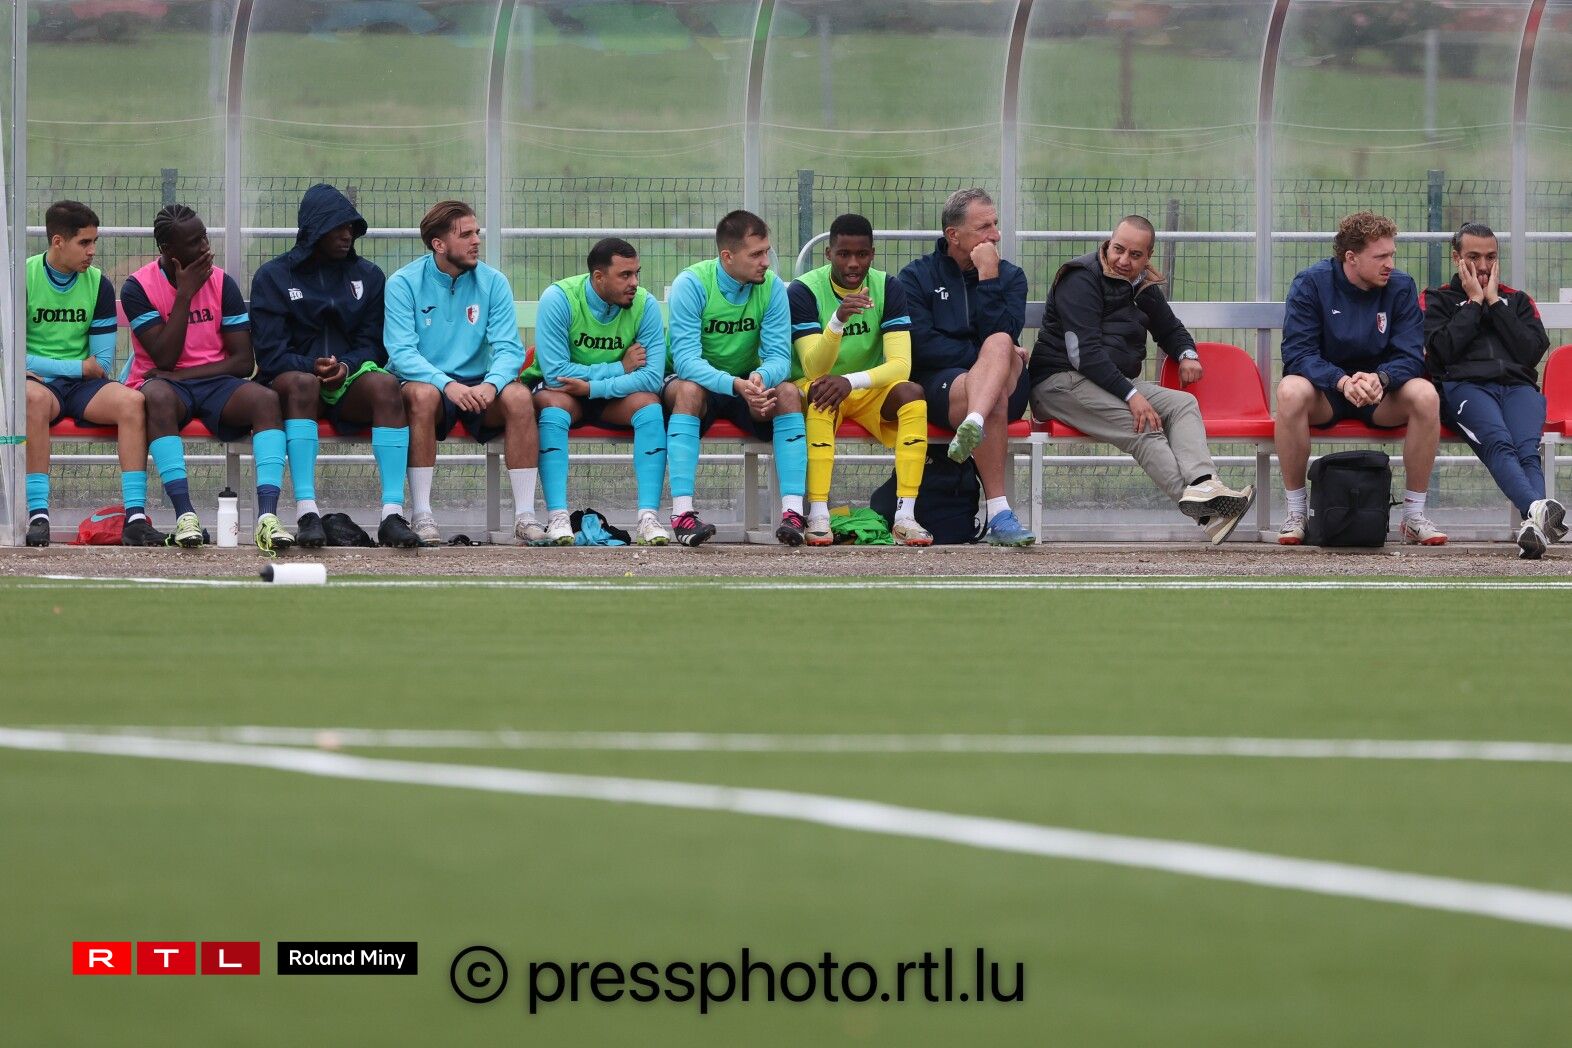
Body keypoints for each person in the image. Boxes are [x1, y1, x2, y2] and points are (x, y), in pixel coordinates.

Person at [1029, 216, 1255, 544]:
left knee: (1182, 403)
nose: (1124, 260)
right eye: (1118, 249)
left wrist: (1187, 354)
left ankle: (1204, 484)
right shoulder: (1080, 278)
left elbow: (1170, 328)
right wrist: (1131, 395)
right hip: (1059, 382)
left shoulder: (1142, 285)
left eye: (1135, 255)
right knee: (1145, 427)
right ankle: (1210, 515)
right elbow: (1084, 355)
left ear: (1148, 257)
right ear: (1109, 243)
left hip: (1109, 382)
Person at [249, 183, 418, 549]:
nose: (347, 235)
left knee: (387, 385)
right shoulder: (273, 276)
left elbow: (374, 345)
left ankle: (392, 514)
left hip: (347, 381)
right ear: (313, 230)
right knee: (304, 383)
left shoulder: (369, 276)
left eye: (351, 227)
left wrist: (345, 366)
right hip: (293, 385)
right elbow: (270, 353)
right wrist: (312, 366)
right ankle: (307, 512)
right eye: (337, 227)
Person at [122, 204, 294, 553]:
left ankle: (267, 518)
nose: (205, 247)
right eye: (194, 242)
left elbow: (243, 361)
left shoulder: (221, 282)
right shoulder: (137, 287)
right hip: (163, 385)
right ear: (168, 250)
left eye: (204, 237)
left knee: (266, 400)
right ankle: (185, 516)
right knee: (156, 397)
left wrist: (183, 374)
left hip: (214, 382)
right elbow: (164, 358)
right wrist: (184, 293)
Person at [1276, 211, 1445, 546]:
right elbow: (1298, 354)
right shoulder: (1311, 283)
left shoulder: (1401, 286)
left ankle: (1413, 517)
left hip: (1380, 394)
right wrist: (1341, 381)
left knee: (1426, 395)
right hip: (1327, 393)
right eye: (1380, 256)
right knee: (1289, 391)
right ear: (1351, 258)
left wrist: (1382, 378)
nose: (1390, 264)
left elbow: (1411, 355)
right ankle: (1297, 514)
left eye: (1392, 254)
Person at [385, 200, 542, 545]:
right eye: (466, 234)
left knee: (518, 396)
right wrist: (446, 384)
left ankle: (525, 517)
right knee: (422, 395)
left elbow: (509, 349)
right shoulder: (403, 283)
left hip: (479, 386)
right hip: (428, 382)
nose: (476, 241)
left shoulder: (494, 282)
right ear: (439, 244)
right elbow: (402, 353)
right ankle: (422, 515)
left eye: (477, 232)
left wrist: (493, 384)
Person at [898, 187, 1033, 546]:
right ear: (953, 235)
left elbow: (1003, 333)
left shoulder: (1010, 277)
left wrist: (988, 277)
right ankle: (1000, 515)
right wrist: (984, 365)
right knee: (994, 388)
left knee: (1000, 342)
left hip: (1006, 382)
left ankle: (974, 420)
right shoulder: (916, 277)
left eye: (995, 224)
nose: (995, 235)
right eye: (984, 227)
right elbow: (922, 346)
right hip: (945, 384)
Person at [23, 200, 163, 547]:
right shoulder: (22, 278)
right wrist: (73, 367)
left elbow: (101, 363)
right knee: (31, 399)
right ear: (58, 242)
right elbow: (11, 357)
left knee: (132, 401)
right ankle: (38, 515)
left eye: (94, 242)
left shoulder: (99, 284)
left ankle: (134, 517)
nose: (92, 251)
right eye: (84, 242)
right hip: (41, 387)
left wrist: (52, 366)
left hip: (83, 386)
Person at [664, 209, 806, 546]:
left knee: (788, 393)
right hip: (698, 384)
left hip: (746, 384)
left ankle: (794, 514)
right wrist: (733, 384)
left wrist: (759, 378)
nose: (765, 262)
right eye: (756, 254)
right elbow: (686, 361)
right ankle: (682, 515)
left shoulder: (772, 287)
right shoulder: (692, 283)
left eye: (767, 252)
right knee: (688, 391)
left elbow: (780, 357)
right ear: (727, 257)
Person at [789, 213, 931, 546]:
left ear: (872, 254)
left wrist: (851, 381)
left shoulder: (888, 287)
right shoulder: (804, 290)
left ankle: (905, 517)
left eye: (862, 254)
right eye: (844, 254)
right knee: (821, 391)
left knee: (912, 393)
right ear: (829, 253)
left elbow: (901, 366)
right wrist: (837, 321)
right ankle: (819, 514)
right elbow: (813, 367)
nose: (853, 263)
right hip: (820, 385)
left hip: (863, 387)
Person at [1423, 222, 1563, 558]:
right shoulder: (1436, 299)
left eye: (1490, 257)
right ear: (1456, 257)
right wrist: (1473, 303)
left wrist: (1495, 304)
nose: (1483, 266)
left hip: (1518, 389)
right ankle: (1538, 510)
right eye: (1473, 257)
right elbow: (1440, 353)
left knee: (1527, 451)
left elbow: (1530, 351)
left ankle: (1534, 527)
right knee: (1499, 443)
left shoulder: (1517, 301)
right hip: (1465, 388)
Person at [526, 237, 669, 545]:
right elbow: (556, 374)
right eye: (625, 275)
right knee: (552, 404)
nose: (635, 283)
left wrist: (593, 387)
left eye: (636, 273)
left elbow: (652, 378)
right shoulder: (559, 298)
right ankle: (558, 517)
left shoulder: (645, 305)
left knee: (649, 404)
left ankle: (648, 517)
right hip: (567, 395)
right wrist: (619, 367)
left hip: (611, 397)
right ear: (599, 277)